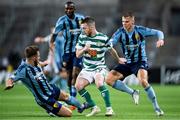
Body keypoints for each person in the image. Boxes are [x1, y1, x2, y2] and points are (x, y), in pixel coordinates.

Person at [75, 17, 139, 117]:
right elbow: (77, 55)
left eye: (84, 28)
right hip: (87, 68)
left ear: (91, 27)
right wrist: (85, 49)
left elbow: (111, 50)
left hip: (99, 67)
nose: (82, 30)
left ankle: (109, 109)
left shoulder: (102, 38)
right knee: (78, 86)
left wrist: (118, 59)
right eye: (82, 28)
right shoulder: (82, 37)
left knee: (99, 83)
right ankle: (94, 107)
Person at [106, 12, 164, 116]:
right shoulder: (120, 32)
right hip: (127, 62)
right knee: (109, 80)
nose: (124, 23)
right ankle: (133, 92)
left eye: (127, 21)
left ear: (133, 22)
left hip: (140, 61)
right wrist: (109, 43)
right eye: (123, 21)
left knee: (143, 82)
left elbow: (159, 32)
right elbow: (112, 41)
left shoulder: (140, 30)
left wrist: (160, 39)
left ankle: (157, 108)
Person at [4, 45, 87, 117]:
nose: (39, 57)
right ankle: (51, 110)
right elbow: (10, 79)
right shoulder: (23, 69)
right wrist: (9, 85)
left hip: (50, 88)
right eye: (38, 56)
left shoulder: (35, 62)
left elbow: (42, 63)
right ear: (33, 57)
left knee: (66, 96)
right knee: (69, 114)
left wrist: (49, 58)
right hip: (44, 98)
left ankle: (81, 107)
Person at [50, 1, 84, 97]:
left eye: (70, 8)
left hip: (78, 51)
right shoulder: (62, 20)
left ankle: (73, 98)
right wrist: (51, 44)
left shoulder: (81, 18)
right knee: (69, 76)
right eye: (67, 9)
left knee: (75, 72)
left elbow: (88, 29)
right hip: (67, 52)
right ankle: (71, 91)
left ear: (74, 9)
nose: (68, 10)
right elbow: (55, 34)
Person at [34, 27, 68, 92]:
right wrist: (39, 39)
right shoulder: (51, 37)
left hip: (58, 59)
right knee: (48, 72)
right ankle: (47, 85)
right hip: (52, 58)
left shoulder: (62, 38)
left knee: (61, 74)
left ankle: (56, 88)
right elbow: (43, 39)